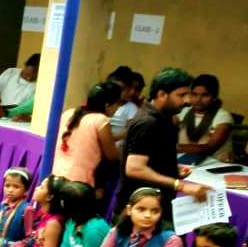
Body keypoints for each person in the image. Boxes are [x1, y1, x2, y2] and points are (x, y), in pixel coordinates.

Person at [115, 67, 211, 220]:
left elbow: (150, 158)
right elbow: (135, 168)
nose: (187, 101)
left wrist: (170, 168)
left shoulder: (166, 118)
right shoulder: (148, 123)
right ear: (161, 94)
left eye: (188, 94)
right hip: (140, 213)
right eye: (181, 95)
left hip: (156, 206)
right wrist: (181, 185)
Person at [51, 82, 123, 187]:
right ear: (107, 105)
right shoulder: (100, 120)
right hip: (79, 184)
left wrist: (121, 135)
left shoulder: (69, 113)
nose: (118, 108)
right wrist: (124, 149)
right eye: (118, 103)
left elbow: (84, 138)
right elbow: (112, 155)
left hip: (56, 176)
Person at [176, 73, 233, 164]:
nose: (198, 99)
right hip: (185, 163)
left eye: (205, 95)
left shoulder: (223, 117)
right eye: (194, 94)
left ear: (214, 97)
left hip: (214, 166)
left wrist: (173, 147)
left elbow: (208, 149)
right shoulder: (183, 112)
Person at [0, 54, 39, 119]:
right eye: (27, 74)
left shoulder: (39, 85)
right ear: (25, 65)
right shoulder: (11, 72)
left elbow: (23, 107)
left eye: (34, 77)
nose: (29, 78)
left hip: (17, 118)